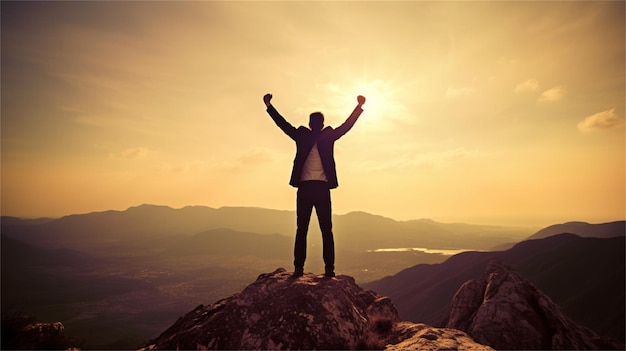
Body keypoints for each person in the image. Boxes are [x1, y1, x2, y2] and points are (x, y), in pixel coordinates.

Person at [263, 93, 366, 277]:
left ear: (310, 124)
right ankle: (329, 270)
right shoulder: (329, 136)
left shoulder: (302, 135)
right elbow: (346, 126)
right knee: (326, 230)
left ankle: (299, 269)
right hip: (322, 190)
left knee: (302, 229)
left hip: (305, 189)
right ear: (322, 123)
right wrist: (358, 107)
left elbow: (283, 125)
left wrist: (269, 106)